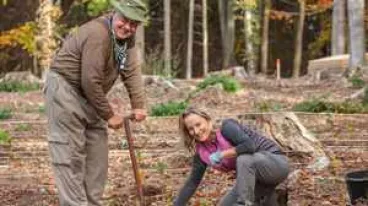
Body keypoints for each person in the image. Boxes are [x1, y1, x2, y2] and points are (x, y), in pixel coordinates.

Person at [43, 0, 148, 205]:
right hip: (66, 90)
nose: (127, 27)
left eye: (134, 24)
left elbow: (131, 69)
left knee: (97, 158)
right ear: (114, 13)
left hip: (90, 95)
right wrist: (109, 115)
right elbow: (90, 81)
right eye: (124, 20)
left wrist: (139, 104)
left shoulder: (127, 39)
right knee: (70, 156)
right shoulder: (98, 34)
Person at [174, 107, 289, 206]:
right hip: (253, 180)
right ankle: (271, 199)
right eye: (191, 129)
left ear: (208, 120)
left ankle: (244, 204)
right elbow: (192, 182)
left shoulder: (226, 127)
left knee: (244, 158)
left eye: (198, 124)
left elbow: (249, 146)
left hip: (276, 164)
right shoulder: (202, 152)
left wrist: (222, 154)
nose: (196, 131)